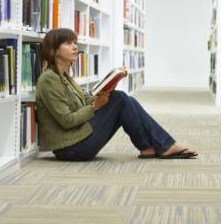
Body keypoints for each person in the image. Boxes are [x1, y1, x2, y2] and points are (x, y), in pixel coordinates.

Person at [36, 28, 198, 161]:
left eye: (75, 43)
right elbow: (66, 121)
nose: (75, 47)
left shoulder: (63, 76)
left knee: (123, 98)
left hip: (77, 140)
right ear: (53, 50)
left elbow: (86, 99)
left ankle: (148, 148)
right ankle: (161, 145)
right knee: (120, 98)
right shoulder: (49, 79)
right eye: (68, 43)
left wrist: (107, 91)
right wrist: (95, 107)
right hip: (71, 148)